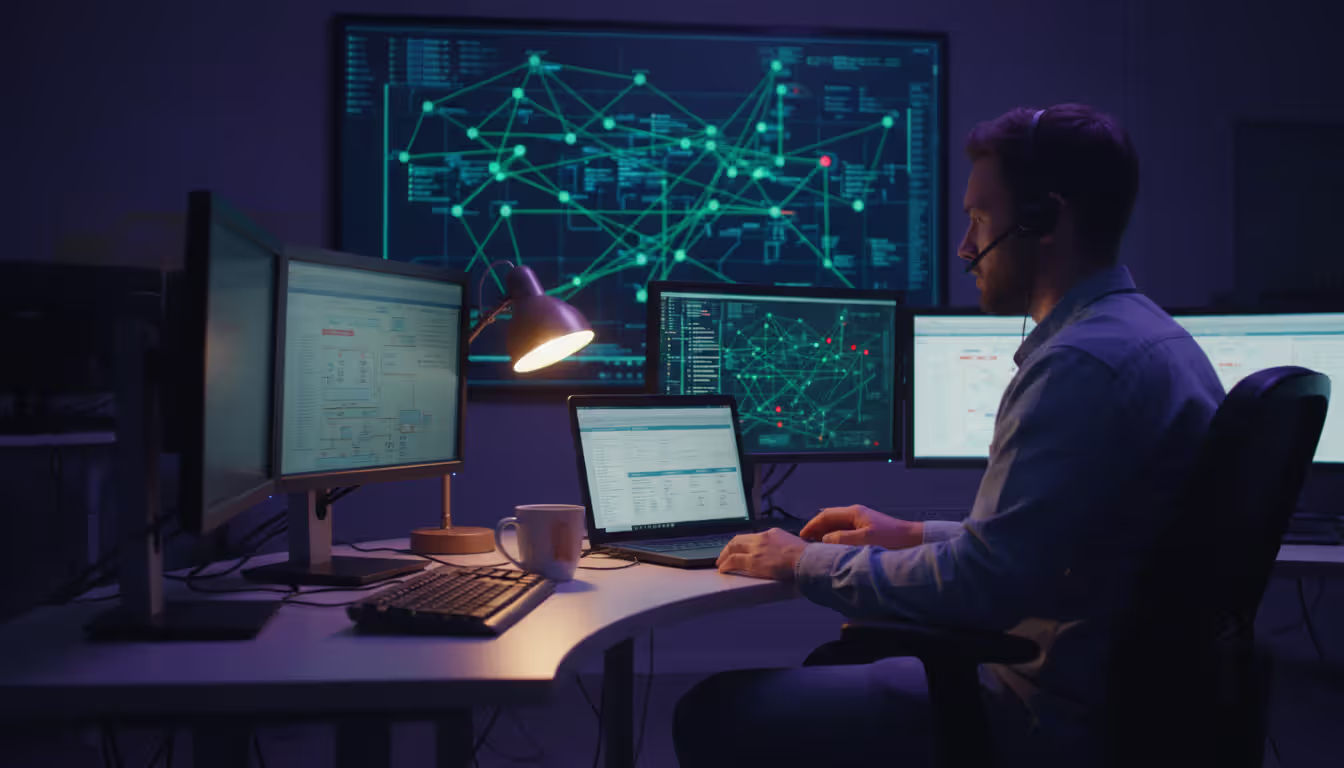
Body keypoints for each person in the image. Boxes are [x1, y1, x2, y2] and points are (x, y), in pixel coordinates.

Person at [672, 103, 1226, 766]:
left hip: (1036, 711)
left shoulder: (1078, 367)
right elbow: (1054, 544)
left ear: (1043, 219)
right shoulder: (1152, 338)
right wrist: (910, 535)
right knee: (834, 659)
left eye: (978, 218)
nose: (965, 247)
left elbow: (983, 588)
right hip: (1117, 697)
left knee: (713, 712)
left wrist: (802, 562)